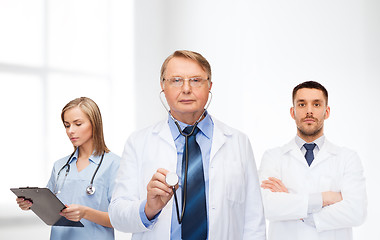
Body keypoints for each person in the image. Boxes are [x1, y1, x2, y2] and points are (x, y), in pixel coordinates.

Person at [109, 50, 266, 239]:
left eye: (196, 80)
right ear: (162, 86)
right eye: (176, 80)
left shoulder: (238, 141)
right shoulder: (139, 142)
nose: (186, 89)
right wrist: (149, 208)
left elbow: (254, 220)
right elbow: (117, 215)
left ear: (209, 86)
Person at [259, 81, 367, 240]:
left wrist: (294, 206)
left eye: (316, 104)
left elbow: (357, 211)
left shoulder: (347, 158)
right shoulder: (273, 157)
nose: (309, 111)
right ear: (292, 112)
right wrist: (326, 198)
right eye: (302, 104)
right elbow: (266, 206)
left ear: (327, 111)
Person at [16, 97, 120, 240]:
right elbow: (48, 207)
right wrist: (30, 205)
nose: (71, 131)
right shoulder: (60, 166)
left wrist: (85, 213)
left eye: (78, 124)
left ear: (94, 124)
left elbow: (121, 220)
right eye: (66, 125)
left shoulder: (114, 164)